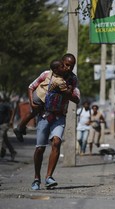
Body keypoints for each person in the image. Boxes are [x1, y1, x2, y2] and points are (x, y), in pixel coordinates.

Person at [29, 53, 80, 190]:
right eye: (66, 65)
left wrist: (67, 93)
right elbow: (31, 87)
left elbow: (77, 98)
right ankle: (36, 178)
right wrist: (32, 104)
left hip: (59, 116)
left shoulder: (72, 80)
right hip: (44, 115)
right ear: (61, 64)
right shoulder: (47, 74)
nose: (69, 68)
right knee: (40, 148)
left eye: (72, 66)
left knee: (56, 142)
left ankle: (49, 177)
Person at [13, 60, 71, 142]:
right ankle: (20, 127)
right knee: (34, 112)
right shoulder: (59, 80)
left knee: (33, 113)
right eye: (63, 66)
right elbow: (67, 93)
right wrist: (70, 88)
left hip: (37, 94)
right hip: (41, 98)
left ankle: (21, 127)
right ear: (56, 70)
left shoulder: (51, 73)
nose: (66, 68)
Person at [0, 97, 17, 161]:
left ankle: (2, 151)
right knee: (5, 139)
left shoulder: (4, 105)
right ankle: (12, 152)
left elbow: (12, 110)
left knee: (1, 138)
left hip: (5, 124)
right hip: (0, 124)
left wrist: (11, 120)